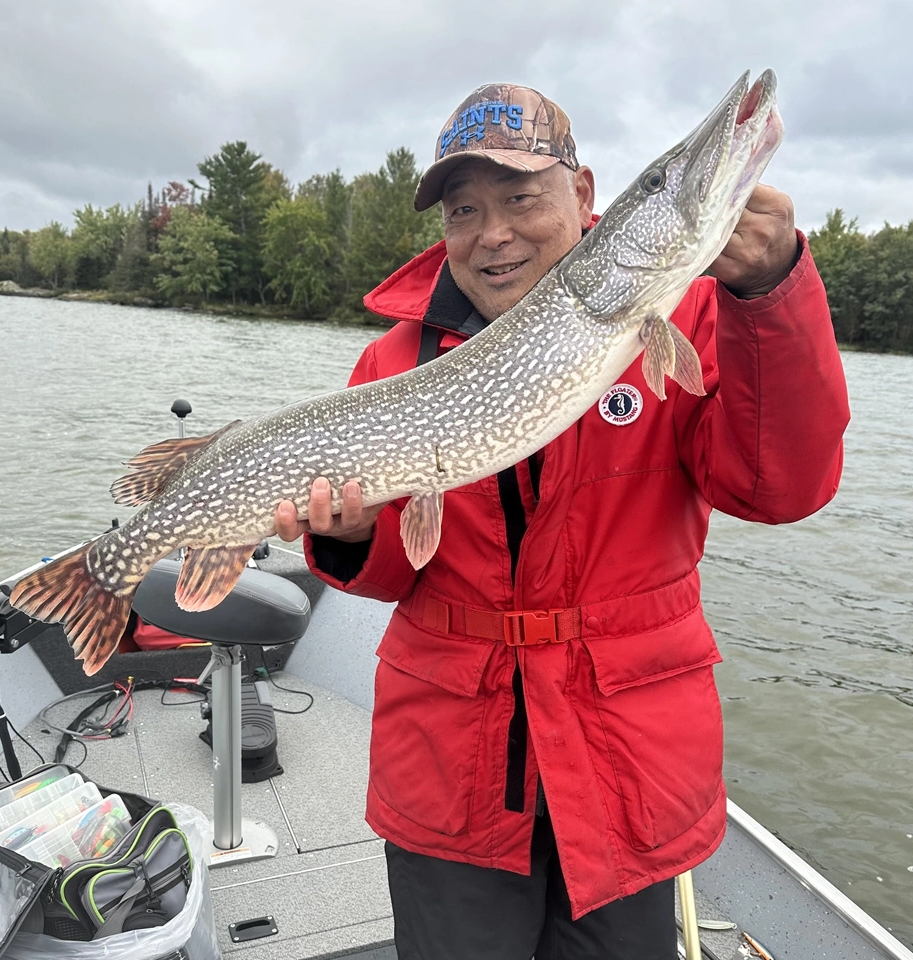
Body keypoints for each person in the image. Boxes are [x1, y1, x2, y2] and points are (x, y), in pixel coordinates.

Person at [274, 84, 850, 959]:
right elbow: (398, 573)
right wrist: (349, 534)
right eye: (464, 210)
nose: (492, 231)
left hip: (627, 765)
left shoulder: (694, 319)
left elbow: (782, 488)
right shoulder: (393, 362)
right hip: (451, 770)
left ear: (586, 200)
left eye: (520, 197)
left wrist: (771, 293)